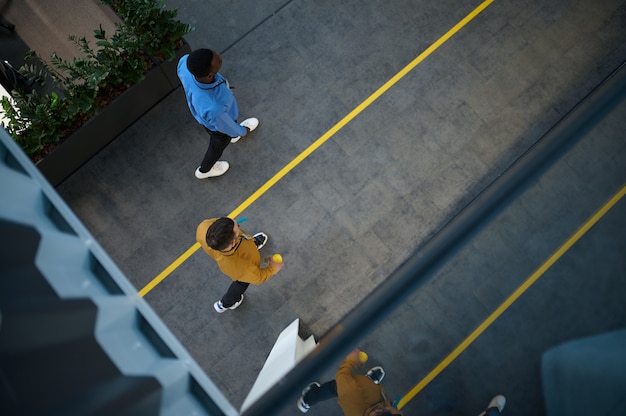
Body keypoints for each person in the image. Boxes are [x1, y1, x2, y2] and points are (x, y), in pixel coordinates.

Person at [177, 48, 259, 179]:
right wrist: (243, 132)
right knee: (217, 146)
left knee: (229, 125)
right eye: (218, 60)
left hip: (211, 117)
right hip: (218, 128)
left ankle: (234, 135)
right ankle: (205, 170)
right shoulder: (214, 106)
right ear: (210, 75)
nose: (220, 56)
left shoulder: (185, 63)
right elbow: (224, 125)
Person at [196, 217, 283, 313]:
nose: (237, 223)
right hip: (241, 270)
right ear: (233, 242)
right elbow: (258, 277)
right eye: (237, 227)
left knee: (246, 243)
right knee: (241, 283)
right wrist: (273, 268)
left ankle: (254, 243)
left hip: (244, 246)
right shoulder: (239, 267)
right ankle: (226, 303)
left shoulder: (204, 227)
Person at [297, 349, 403, 416]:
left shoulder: (354, 398)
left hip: (351, 391)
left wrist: (351, 360)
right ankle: (368, 381)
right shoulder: (383, 411)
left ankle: (307, 399)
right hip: (369, 392)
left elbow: (342, 376)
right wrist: (390, 405)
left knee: (334, 388)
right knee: (363, 386)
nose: (401, 413)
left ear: (378, 412)